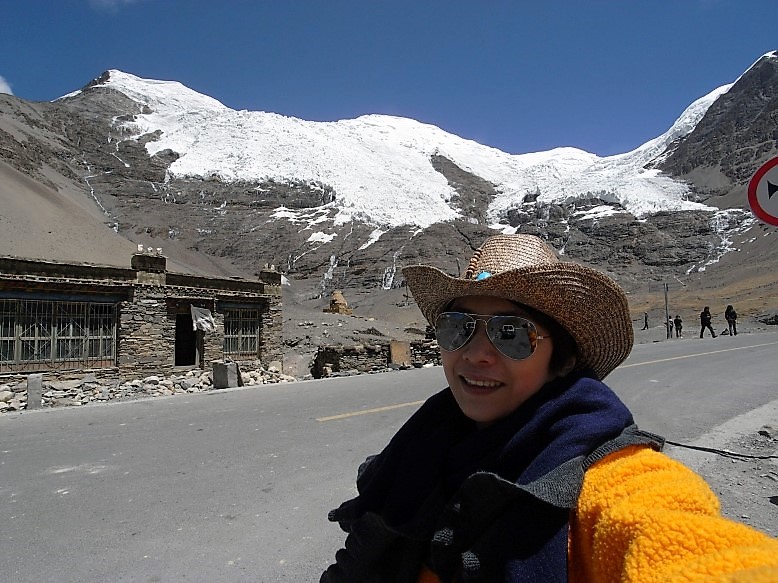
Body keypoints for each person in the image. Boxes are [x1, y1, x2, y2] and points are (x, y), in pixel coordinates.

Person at [321, 234, 778, 582]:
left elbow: (679, 541)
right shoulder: (422, 446)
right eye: (457, 328)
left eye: (510, 333)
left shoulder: (614, 478)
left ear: (562, 357)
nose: (476, 354)